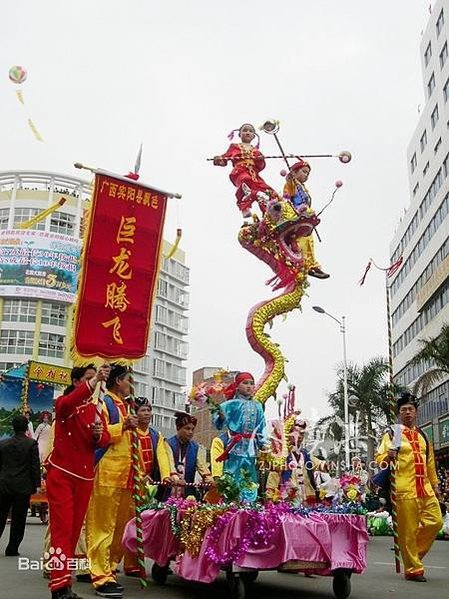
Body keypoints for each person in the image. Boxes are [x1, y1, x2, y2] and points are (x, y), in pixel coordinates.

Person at [87, 366, 175, 598]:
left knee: (120, 530)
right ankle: (100, 575)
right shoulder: (104, 402)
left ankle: (110, 567)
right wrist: (122, 426)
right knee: (102, 526)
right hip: (108, 474)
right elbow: (98, 436)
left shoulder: (128, 406)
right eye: (129, 380)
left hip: (129, 478)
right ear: (118, 381)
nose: (131, 384)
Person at [45, 364, 110, 599]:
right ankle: (58, 587)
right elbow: (65, 405)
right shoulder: (66, 404)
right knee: (61, 532)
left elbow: (104, 439)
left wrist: (98, 434)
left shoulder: (96, 409)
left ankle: (65, 584)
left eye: (96, 379)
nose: (94, 383)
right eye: (88, 378)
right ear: (77, 381)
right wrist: (95, 382)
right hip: (62, 474)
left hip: (84, 477)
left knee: (72, 534)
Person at [375, 392, 442, 582]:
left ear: (416, 412)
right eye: (403, 410)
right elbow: (379, 461)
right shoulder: (393, 434)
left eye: (410, 409)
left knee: (435, 522)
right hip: (404, 490)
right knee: (408, 531)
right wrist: (387, 456)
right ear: (399, 413)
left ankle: (411, 554)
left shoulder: (423, 436)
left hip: (426, 489)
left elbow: (430, 464)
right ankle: (413, 568)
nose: (407, 413)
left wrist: (435, 485)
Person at [213, 372, 269, 499]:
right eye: (245, 383)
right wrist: (221, 417)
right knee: (232, 476)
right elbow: (218, 423)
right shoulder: (231, 404)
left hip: (251, 449)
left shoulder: (258, 406)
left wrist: (264, 443)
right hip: (235, 447)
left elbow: (261, 426)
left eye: (251, 383)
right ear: (237, 386)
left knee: (250, 478)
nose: (249, 386)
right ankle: (232, 505)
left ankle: (249, 505)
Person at [213, 123, 277, 217]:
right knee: (245, 180)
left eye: (250, 131)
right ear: (239, 134)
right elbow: (224, 159)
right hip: (240, 172)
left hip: (254, 175)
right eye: (245, 130)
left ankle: (270, 213)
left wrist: (260, 159)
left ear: (254, 136)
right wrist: (218, 159)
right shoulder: (234, 147)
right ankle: (244, 205)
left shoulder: (255, 150)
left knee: (268, 191)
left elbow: (260, 166)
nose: (247, 133)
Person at [0, 415, 41, 556]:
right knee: (19, 518)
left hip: (4, 485)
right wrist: (37, 484)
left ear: (13, 426)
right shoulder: (31, 444)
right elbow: (35, 466)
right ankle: (12, 548)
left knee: (1, 515)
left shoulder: (3, 444)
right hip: (23, 487)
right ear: (26, 427)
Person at [282, 160, 329, 279]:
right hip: (296, 215)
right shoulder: (291, 184)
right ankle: (305, 264)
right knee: (302, 239)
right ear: (294, 172)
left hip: (305, 217)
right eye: (304, 172)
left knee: (309, 241)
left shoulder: (302, 187)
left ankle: (312, 265)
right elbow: (286, 199)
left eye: (308, 173)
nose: (306, 175)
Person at [265, 415, 326, 504]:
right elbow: (272, 481)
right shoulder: (281, 457)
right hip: (288, 502)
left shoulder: (307, 455)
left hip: (308, 502)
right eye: (296, 433)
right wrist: (270, 500)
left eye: (302, 433)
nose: (299, 436)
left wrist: (327, 466)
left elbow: (321, 465)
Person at [166, 412, 212, 498]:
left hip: (188, 494)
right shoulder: (167, 444)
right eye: (187, 428)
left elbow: (202, 467)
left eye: (192, 429)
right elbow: (169, 464)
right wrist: (176, 478)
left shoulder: (196, 447)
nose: (190, 432)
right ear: (178, 428)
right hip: (167, 492)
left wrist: (209, 480)